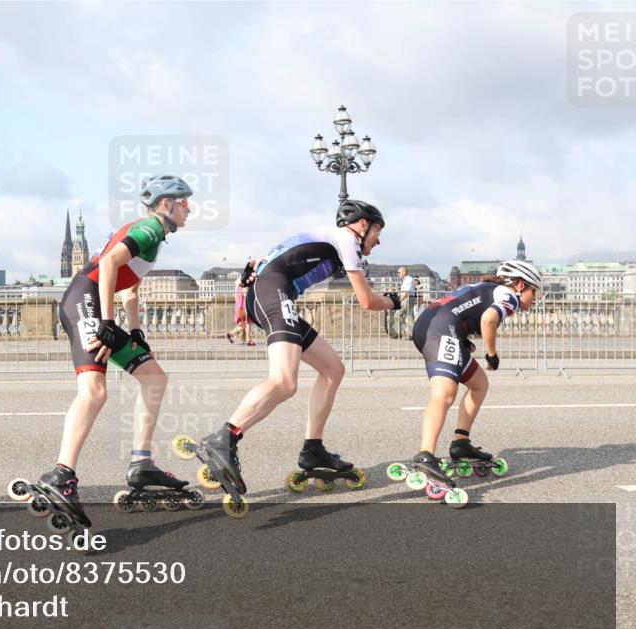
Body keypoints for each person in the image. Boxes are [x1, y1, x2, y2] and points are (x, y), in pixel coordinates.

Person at [190, 199, 402, 509]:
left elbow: (268, 259)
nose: (378, 240)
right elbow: (367, 301)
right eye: (377, 231)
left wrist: (255, 270)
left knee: (333, 369)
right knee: (284, 382)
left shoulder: (325, 237)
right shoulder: (347, 240)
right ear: (361, 225)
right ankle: (224, 438)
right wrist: (394, 301)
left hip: (273, 292)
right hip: (275, 293)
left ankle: (313, 449)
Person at [27, 175, 194, 529]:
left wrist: (134, 331)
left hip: (91, 300)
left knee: (154, 378)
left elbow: (129, 290)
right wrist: (106, 321)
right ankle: (61, 473)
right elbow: (107, 266)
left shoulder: (151, 232)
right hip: (84, 299)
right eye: (184, 202)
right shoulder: (150, 227)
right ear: (167, 204)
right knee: (94, 391)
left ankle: (141, 464)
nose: (189, 209)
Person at [407, 260, 542, 484]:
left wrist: (462, 338)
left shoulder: (489, 289)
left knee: (479, 384)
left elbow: (461, 309)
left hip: (437, 324)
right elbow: (488, 319)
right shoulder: (509, 297)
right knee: (445, 393)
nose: (534, 299)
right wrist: (491, 353)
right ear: (520, 285)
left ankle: (461, 442)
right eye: (533, 292)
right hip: (440, 328)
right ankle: (425, 455)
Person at [226, 266, 256, 346]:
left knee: (242, 325)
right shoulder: (245, 283)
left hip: (240, 307)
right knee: (248, 323)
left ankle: (231, 333)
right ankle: (248, 340)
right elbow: (245, 294)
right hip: (245, 307)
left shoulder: (240, 283)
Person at [397, 266, 417, 340]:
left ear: (404, 272)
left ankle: (397, 333)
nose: (398, 274)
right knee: (409, 317)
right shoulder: (407, 280)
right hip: (408, 298)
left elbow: (406, 292)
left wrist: (399, 301)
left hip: (407, 299)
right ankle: (412, 334)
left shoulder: (408, 279)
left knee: (397, 315)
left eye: (399, 272)